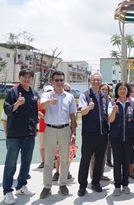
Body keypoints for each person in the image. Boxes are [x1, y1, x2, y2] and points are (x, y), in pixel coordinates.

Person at [2, 69, 39, 205]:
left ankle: (21, 186)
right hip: (14, 135)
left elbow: (34, 113)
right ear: (19, 77)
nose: (27, 79)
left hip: (29, 134)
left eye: (30, 77)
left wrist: (35, 127)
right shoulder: (13, 92)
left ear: (32, 79)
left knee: (26, 162)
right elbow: (7, 110)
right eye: (24, 77)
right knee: (10, 164)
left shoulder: (34, 93)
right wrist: (17, 104)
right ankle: (7, 191)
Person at [39, 71, 77, 199]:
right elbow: (41, 105)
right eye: (57, 80)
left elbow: (72, 116)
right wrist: (50, 101)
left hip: (65, 129)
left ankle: (63, 184)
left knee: (65, 159)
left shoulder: (69, 97)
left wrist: (73, 133)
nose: (59, 82)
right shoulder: (47, 94)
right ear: (52, 81)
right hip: (50, 129)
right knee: (49, 160)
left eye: (61, 80)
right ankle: (47, 186)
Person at [77, 73, 110, 197]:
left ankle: (96, 182)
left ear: (101, 82)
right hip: (89, 134)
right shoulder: (85, 95)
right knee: (85, 160)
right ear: (90, 81)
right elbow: (82, 112)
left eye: (98, 80)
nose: (96, 81)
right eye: (94, 80)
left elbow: (108, 113)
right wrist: (89, 107)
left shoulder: (105, 96)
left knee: (99, 160)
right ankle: (82, 185)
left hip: (103, 134)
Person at [108, 82, 134, 196]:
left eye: (124, 89)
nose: (122, 91)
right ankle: (117, 185)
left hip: (129, 137)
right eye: (120, 89)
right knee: (117, 162)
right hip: (116, 138)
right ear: (117, 91)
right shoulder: (112, 103)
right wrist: (114, 111)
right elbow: (110, 120)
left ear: (128, 90)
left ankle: (125, 184)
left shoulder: (133, 103)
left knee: (126, 162)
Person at [52, 82, 77, 181]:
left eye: (68, 90)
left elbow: (74, 116)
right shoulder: (54, 99)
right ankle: (57, 171)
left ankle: (66, 171)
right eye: (65, 89)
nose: (66, 91)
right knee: (57, 151)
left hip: (70, 129)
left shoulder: (71, 99)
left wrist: (74, 132)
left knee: (69, 151)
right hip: (57, 129)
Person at [37, 85, 54, 169]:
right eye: (47, 91)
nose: (49, 93)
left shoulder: (55, 101)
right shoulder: (41, 102)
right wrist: (45, 117)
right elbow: (38, 112)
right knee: (42, 145)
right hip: (43, 127)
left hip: (53, 127)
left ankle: (54, 161)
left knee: (53, 145)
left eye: (50, 91)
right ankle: (43, 161)